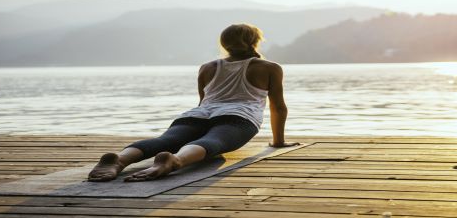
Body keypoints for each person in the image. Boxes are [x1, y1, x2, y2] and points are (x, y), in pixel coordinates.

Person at [87, 23, 299, 182]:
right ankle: (175, 161)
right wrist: (278, 142)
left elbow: (203, 102)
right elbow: (278, 107)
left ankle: (121, 159)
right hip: (239, 118)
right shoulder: (269, 67)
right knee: (214, 142)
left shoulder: (207, 67)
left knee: (164, 141)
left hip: (196, 115)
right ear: (255, 41)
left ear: (224, 44)